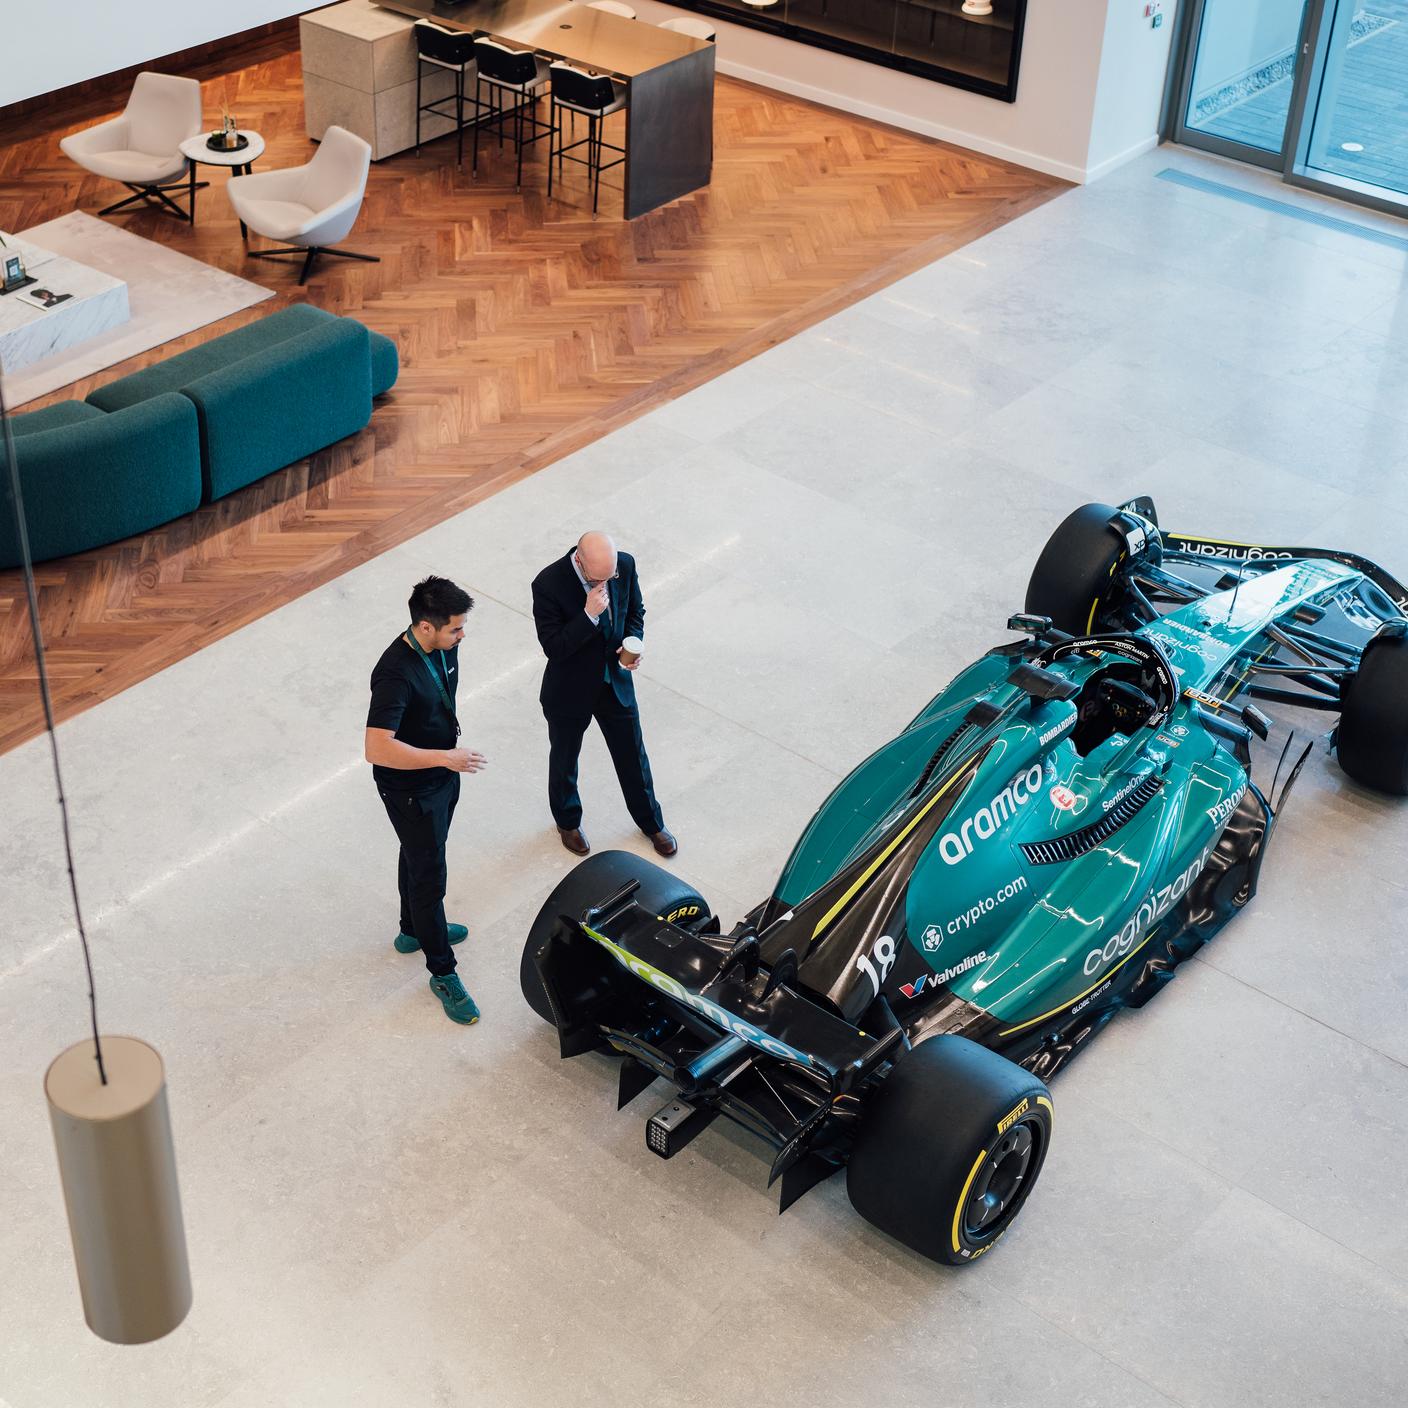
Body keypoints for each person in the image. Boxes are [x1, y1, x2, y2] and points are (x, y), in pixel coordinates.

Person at [365, 576, 487, 1025]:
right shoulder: (395, 673)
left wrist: (446, 762)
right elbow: (376, 749)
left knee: (419, 853)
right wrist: (445, 758)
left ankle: (411, 929)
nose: (461, 636)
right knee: (429, 875)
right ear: (424, 627)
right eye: (455, 629)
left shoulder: (442, 648)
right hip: (410, 787)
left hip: (441, 773)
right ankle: (443, 972)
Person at [531, 532, 676, 859]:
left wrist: (632, 643)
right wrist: (588, 615)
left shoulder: (623, 565)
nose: (607, 581)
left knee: (633, 755)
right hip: (570, 688)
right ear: (579, 561)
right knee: (565, 758)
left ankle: (651, 822)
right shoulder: (548, 584)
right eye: (599, 578)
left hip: (615, 681)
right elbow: (554, 648)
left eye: (610, 576)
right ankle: (567, 822)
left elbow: (635, 611)